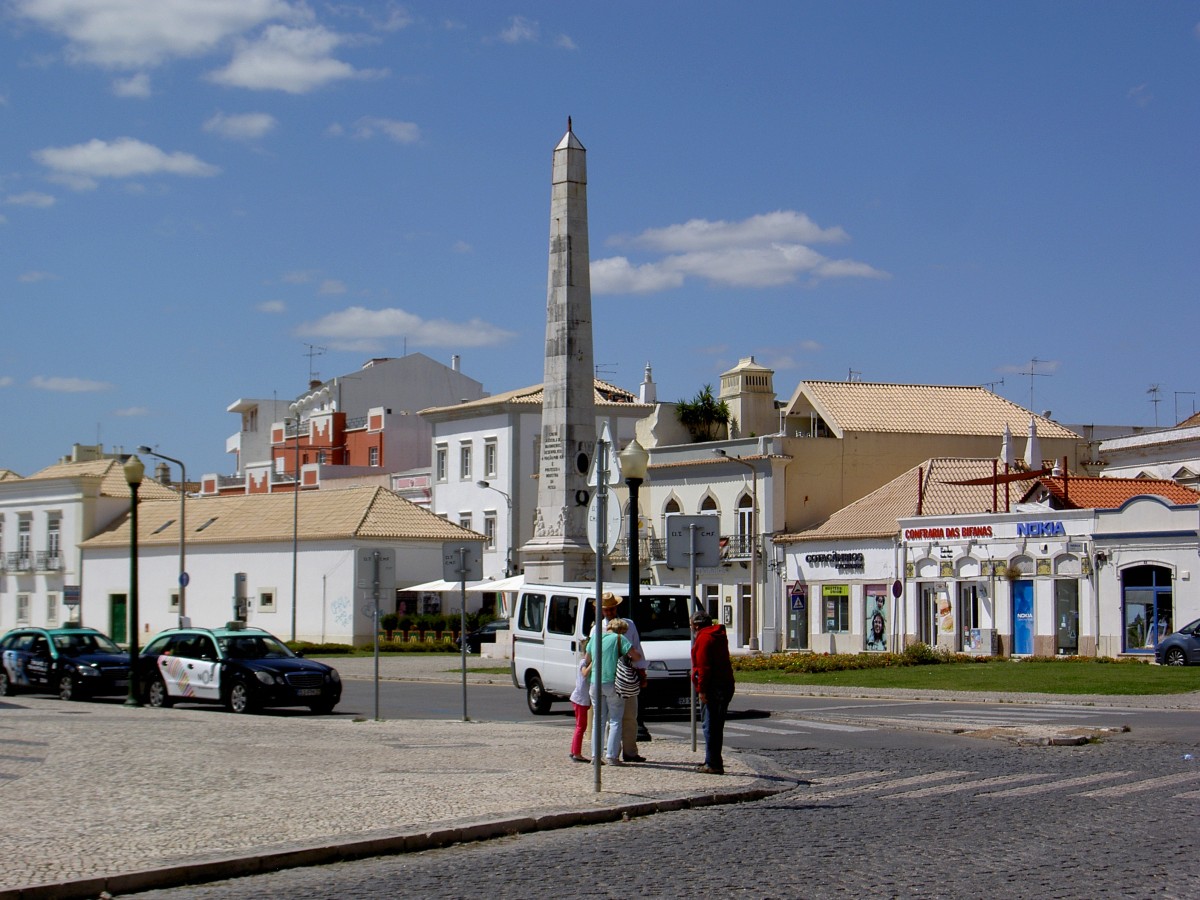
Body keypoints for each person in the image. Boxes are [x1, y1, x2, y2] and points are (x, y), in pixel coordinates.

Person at [601, 591, 648, 762]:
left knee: (629, 716)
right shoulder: (598, 628)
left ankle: (630, 751)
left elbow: (637, 649)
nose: (609, 612)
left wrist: (642, 672)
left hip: (627, 677)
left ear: (616, 608)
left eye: (611, 609)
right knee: (611, 718)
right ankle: (612, 752)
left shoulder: (629, 625)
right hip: (608, 678)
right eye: (606, 609)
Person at [592, 616, 641, 766]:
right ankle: (612, 756)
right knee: (615, 719)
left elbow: (588, 659)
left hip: (595, 682)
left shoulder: (595, 637)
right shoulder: (620, 639)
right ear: (621, 630)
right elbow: (637, 656)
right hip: (613, 682)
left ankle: (595, 756)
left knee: (598, 720)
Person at [691, 610, 734, 775]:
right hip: (725, 684)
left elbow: (704, 667)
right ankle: (713, 759)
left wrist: (702, 690)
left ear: (696, 625)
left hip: (713, 686)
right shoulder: (717, 635)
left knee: (710, 725)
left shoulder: (704, 638)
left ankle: (713, 763)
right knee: (716, 725)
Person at [568, 640, 592, 763]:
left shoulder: (584, 662)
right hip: (580, 699)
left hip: (581, 698)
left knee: (579, 726)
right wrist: (593, 663)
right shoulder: (584, 662)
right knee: (581, 726)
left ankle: (574, 750)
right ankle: (577, 753)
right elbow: (584, 673)